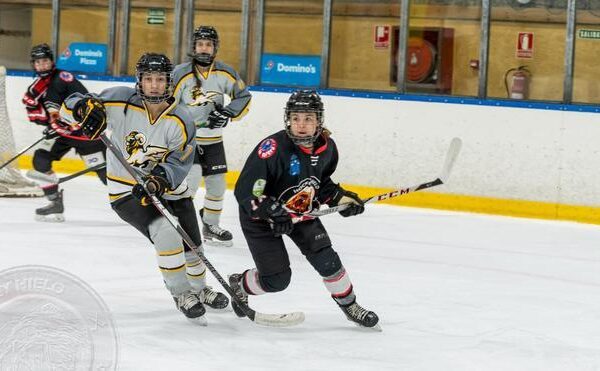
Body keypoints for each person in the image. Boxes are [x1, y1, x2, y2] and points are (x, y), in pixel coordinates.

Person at [59, 53, 228, 323]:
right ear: (139, 80)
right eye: (148, 79)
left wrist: (158, 180)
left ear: (168, 82)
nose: (154, 85)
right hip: (127, 191)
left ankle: (200, 288)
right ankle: (181, 293)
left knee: (193, 247)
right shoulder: (118, 100)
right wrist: (82, 107)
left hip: (168, 188)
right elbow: (67, 105)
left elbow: (180, 161)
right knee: (166, 234)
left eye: (160, 79)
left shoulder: (182, 119)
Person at [230, 90, 380, 329]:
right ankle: (240, 284)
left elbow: (320, 183)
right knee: (277, 280)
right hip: (260, 218)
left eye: (308, 119)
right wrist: (270, 210)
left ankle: (350, 305)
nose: (301, 125)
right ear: (288, 119)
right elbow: (246, 192)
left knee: (328, 260)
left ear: (319, 121)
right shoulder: (272, 148)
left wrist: (340, 198)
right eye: (296, 118)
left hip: (301, 213)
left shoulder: (328, 149)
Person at [172, 25, 252, 247]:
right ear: (194, 47)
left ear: (215, 47)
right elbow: (167, 103)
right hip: (187, 140)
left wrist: (227, 114)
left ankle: (210, 225)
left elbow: (243, 97)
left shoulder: (225, 72)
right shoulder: (180, 73)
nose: (204, 49)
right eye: (200, 44)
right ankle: (181, 226)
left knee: (217, 185)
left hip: (214, 140)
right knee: (191, 181)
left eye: (208, 44)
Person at [22, 43, 106, 222]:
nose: (42, 65)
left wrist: (61, 122)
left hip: (86, 135)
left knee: (104, 173)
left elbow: (83, 102)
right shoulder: (41, 85)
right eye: (38, 63)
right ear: (33, 65)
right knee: (41, 159)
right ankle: (55, 202)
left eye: (45, 61)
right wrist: (51, 124)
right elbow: (47, 113)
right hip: (64, 134)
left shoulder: (62, 78)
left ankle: (143, 201)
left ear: (51, 61)